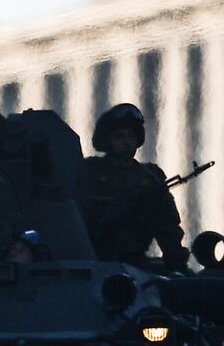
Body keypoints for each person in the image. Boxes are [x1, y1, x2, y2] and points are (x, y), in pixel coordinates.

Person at [78, 103, 189, 271]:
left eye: (131, 136)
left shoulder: (150, 177)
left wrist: (176, 259)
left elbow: (167, 225)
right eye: (119, 137)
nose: (126, 142)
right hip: (93, 259)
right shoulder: (88, 173)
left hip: (136, 261)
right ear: (107, 140)